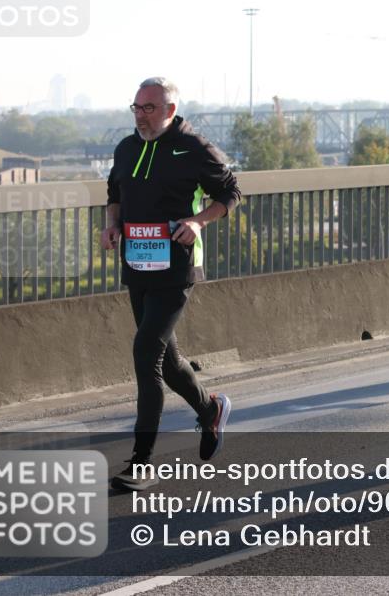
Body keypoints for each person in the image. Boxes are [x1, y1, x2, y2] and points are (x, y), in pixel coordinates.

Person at [103, 77, 241, 490]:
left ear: (170, 110)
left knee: (146, 353)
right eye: (136, 107)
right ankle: (210, 409)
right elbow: (114, 193)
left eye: (149, 108)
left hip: (177, 267)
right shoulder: (126, 148)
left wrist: (198, 222)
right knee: (167, 360)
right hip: (137, 265)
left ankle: (142, 461)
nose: (140, 116)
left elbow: (231, 193)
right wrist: (111, 225)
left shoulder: (193, 147)